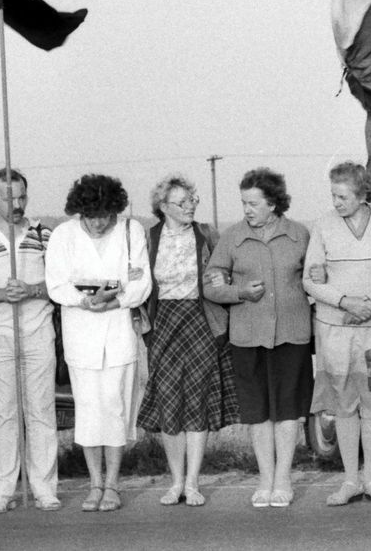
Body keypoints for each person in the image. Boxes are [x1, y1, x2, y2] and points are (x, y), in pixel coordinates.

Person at [204, 168, 311, 508]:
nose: (247, 209)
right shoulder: (231, 237)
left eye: (254, 203)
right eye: (243, 203)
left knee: (288, 411)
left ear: (273, 203)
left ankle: (284, 479)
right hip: (248, 338)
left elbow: (316, 276)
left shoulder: (300, 234)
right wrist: (238, 292)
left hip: (292, 336)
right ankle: (265, 480)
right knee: (258, 412)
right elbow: (210, 285)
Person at [45, 174, 151, 513]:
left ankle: (113, 485)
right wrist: (84, 301)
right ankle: (94, 484)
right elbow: (56, 285)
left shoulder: (132, 231)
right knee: (89, 409)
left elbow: (142, 283)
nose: (100, 223)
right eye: (91, 217)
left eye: (106, 215)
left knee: (115, 405)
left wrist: (117, 301)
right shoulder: (63, 235)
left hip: (119, 331)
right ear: (79, 212)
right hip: (81, 333)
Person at [303, 162, 371, 506]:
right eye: (333, 194)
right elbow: (309, 280)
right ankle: (349, 481)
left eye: (343, 195)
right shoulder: (322, 225)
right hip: (335, 330)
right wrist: (346, 302)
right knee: (344, 405)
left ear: (362, 195)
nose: (336, 201)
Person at [138, 173, 237, 507]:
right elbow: (137, 282)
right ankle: (175, 481)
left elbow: (223, 276)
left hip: (200, 321)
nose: (190, 207)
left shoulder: (207, 233)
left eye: (192, 200)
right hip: (164, 323)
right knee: (169, 400)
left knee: (197, 398)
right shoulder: (147, 237)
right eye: (181, 202)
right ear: (163, 206)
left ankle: (193, 483)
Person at [0, 168, 61, 512]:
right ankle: (3, 488)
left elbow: (59, 284)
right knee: (2, 414)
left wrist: (32, 289)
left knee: (40, 411)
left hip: (38, 331)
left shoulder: (44, 234)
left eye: (22, 196)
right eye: (9, 198)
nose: (17, 204)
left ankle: (44, 487)